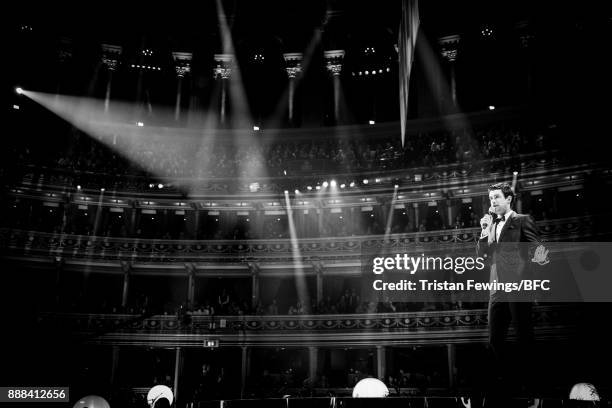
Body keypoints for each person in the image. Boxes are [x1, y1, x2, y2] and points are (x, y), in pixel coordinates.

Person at [477, 182, 544, 399]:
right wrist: (484, 231)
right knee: (495, 340)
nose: (493, 202)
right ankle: (509, 385)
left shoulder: (522, 220)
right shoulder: (491, 224)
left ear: (508, 199)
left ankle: (532, 388)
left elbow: (537, 249)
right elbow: (482, 257)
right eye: (490, 198)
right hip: (496, 290)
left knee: (524, 337)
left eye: (496, 197)